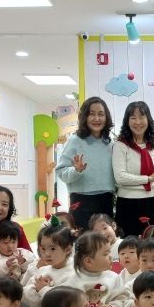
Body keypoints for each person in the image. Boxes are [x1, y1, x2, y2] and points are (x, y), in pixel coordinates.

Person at [56, 96, 116, 231]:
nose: (97, 118)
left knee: (105, 239)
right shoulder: (75, 140)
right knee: (84, 239)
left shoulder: (110, 143)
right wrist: (76, 170)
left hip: (106, 199)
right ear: (84, 117)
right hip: (81, 200)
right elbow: (61, 171)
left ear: (106, 117)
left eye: (101, 114)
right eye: (92, 114)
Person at [113, 101, 154, 237]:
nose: (138, 122)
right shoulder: (121, 145)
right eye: (133, 118)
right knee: (130, 244)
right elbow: (120, 177)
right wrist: (149, 179)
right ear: (127, 121)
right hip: (128, 204)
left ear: (148, 119)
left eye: (142, 117)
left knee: (153, 244)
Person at [70, 232, 132, 307]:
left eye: (109, 252)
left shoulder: (114, 278)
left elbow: (122, 298)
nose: (110, 256)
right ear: (88, 261)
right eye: (105, 254)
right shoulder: (73, 281)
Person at [23, 225, 75, 307]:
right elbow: (25, 295)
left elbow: (64, 304)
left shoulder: (74, 272)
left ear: (68, 249)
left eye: (53, 249)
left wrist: (43, 289)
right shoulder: (43, 270)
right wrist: (36, 289)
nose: (47, 254)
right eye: (43, 248)